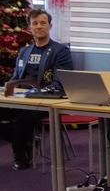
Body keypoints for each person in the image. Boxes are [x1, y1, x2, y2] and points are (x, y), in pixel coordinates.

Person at [2, 9, 73, 170]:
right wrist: (9, 89)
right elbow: (15, 79)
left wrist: (33, 94)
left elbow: (60, 84)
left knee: (23, 119)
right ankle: (24, 140)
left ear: (50, 26)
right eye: (35, 23)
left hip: (45, 101)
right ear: (30, 27)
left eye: (43, 23)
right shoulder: (24, 52)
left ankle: (21, 155)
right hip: (20, 100)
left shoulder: (60, 51)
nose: (39, 26)